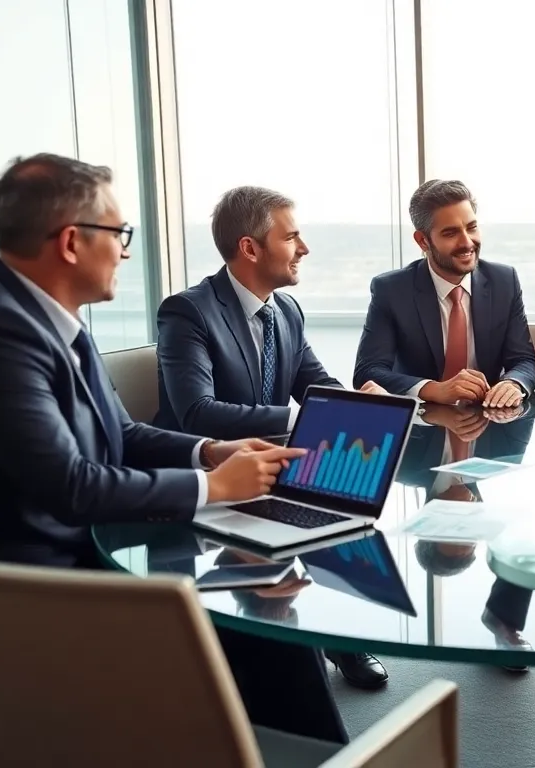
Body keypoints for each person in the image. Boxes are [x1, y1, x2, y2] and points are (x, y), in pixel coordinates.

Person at [0, 154, 349, 743]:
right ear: (70, 242)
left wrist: (210, 453)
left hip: (69, 558)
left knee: (255, 599)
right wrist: (215, 488)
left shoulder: (46, 317)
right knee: (245, 616)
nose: (125, 250)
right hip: (15, 596)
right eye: (119, 234)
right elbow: (72, 486)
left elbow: (124, 436)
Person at [152, 185, 389, 690]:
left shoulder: (285, 312)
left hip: (274, 468)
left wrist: (363, 404)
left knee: (346, 500)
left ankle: (335, 636)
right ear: (250, 248)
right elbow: (197, 412)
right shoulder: (188, 312)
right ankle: (289, 647)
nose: (303, 249)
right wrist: (300, 415)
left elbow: (317, 385)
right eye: (293, 237)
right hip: (207, 476)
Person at [352, 179, 535, 406]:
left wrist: (513, 383)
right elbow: (367, 371)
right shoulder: (392, 290)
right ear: (423, 241)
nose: (467, 242)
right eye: (451, 233)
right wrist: (434, 389)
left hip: (489, 421)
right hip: (421, 426)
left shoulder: (504, 281)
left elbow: (524, 360)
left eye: (471, 227)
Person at [398, 402, 535, 672]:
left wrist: (430, 411)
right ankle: (502, 618)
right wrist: (513, 397)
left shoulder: (403, 466)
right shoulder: (503, 464)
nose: (469, 524)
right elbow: (529, 410)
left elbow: (389, 407)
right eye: (471, 537)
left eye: (455, 532)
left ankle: (500, 618)